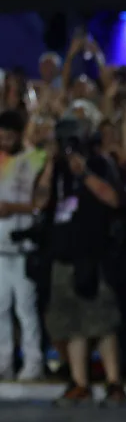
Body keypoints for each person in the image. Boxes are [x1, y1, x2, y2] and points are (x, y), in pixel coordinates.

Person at [33, 116, 126, 406]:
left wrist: (84, 173)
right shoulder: (55, 170)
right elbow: (38, 202)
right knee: (71, 324)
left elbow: (113, 199)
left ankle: (114, 384)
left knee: (102, 323)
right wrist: (50, 165)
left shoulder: (99, 164)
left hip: (94, 255)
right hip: (63, 258)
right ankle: (80, 383)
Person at [0, 111, 46, 380]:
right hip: (0, 248)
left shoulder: (34, 159)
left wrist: (13, 208)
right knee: (0, 308)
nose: (4, 142)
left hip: (24, 247)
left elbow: (41, 202)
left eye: (8, 137)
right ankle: (4, 362)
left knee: (25, 308)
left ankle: (33, 362)